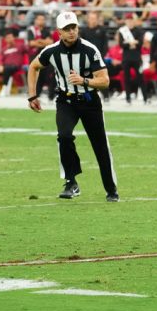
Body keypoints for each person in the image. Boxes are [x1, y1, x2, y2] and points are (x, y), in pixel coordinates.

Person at [27, 11, 119, 202]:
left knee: (100, 146)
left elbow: (105, 81)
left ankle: (111, 189)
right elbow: (33, 67)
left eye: (74, 27)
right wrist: (32, 95)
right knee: (64, 137)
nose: (71, 32)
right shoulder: (51, 51)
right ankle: (71, 182)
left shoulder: (89, 49)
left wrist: (84, 81)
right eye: (67, 29)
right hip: (66, 101)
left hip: (89, 101)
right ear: (59, 32)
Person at [117, 14, 144, 104]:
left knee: (140, 77)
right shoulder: (122, 31)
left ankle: (145, 97)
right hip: (126, 58)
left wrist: (128, 43)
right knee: (126, 78)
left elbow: (140, 43)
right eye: (128, 20)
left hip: (136, 57)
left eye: (131, 20)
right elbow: (121, 44)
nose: (129, 21)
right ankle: (128, 98)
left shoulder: (138, 31)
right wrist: (132, 43)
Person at [26, 13, 54, 99]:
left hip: (46, 57)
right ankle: (35, 97)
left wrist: (38, 41)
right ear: (35, 20)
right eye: (39, 19)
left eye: (43, 19)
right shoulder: (31, 30)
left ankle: (51, 97)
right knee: (36, 78)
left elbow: (50, 42)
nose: (41, 21)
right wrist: (44, 42)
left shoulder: (47, 30)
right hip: (34, 57)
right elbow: (31, 43)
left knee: (50, 76)